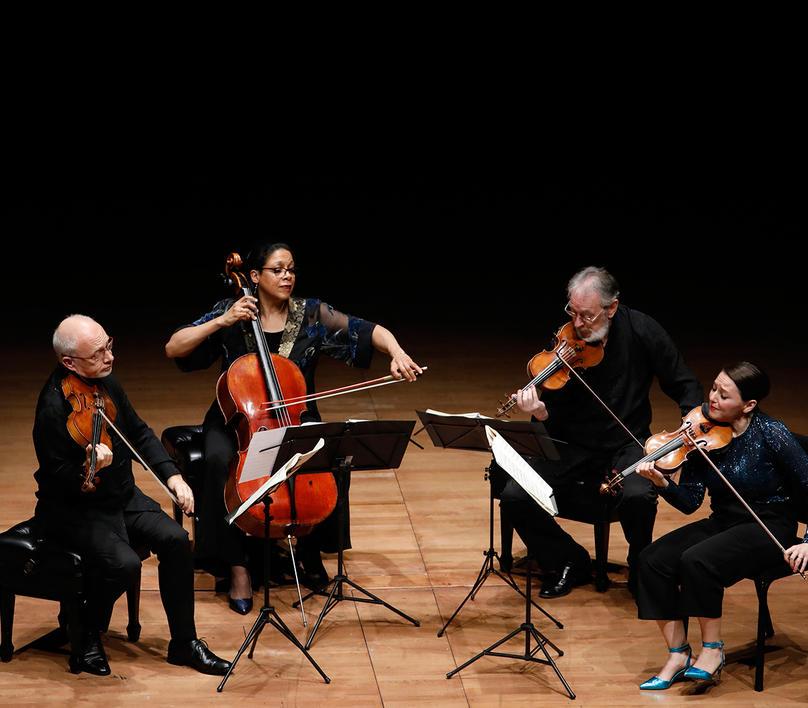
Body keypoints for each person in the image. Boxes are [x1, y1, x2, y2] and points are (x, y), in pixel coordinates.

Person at [165, 242, 422, 615]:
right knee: (220, 461)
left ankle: (310, 548)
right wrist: (222, 321)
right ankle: (237, 565)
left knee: (333, 454)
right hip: (238, 417)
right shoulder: (231, 311)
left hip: (296, 415)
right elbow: (174, 347)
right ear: (254, 277)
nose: (287, 276)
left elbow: (368, 330)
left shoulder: (311, 314)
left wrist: (396, 352)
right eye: (278, 270)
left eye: (292, 270)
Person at [33, 315, 231, 677]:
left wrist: (173, 477)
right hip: (75, 509)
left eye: (109, 345)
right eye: (97, 354)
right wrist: (86, 467)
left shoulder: (105, 384)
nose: (109, 357)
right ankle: (85, 635)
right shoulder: (52, 409)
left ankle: (184, 643)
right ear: (69, 363)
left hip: (120, 497)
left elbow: (139, 433)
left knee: (175, 540)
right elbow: (56, 478)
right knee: (125, 564)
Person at [499, 266, 703, 598]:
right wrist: (538, 411)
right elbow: (552, 408)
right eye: (573, 312)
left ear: (612, 308)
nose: (577, 324)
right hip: (570, 442)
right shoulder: (566, 341)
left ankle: (641, 565)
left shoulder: (642, 330)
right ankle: (569, 560)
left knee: (639, 495)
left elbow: (684, 383)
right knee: (514, 496)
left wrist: (691, 422)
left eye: (587, 316)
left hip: (626, 443)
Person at [635, 361, 808, 690]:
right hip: (726, 521)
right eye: (713, 388)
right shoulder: (705, 434)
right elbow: (689, 502)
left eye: (723, 395)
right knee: (652, 560)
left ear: (749, 405)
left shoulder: (772, 433)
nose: (711, 398)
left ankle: (712, 651)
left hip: (770, 526)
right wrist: (662, 482)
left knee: (697, 560)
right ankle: (678, 654)